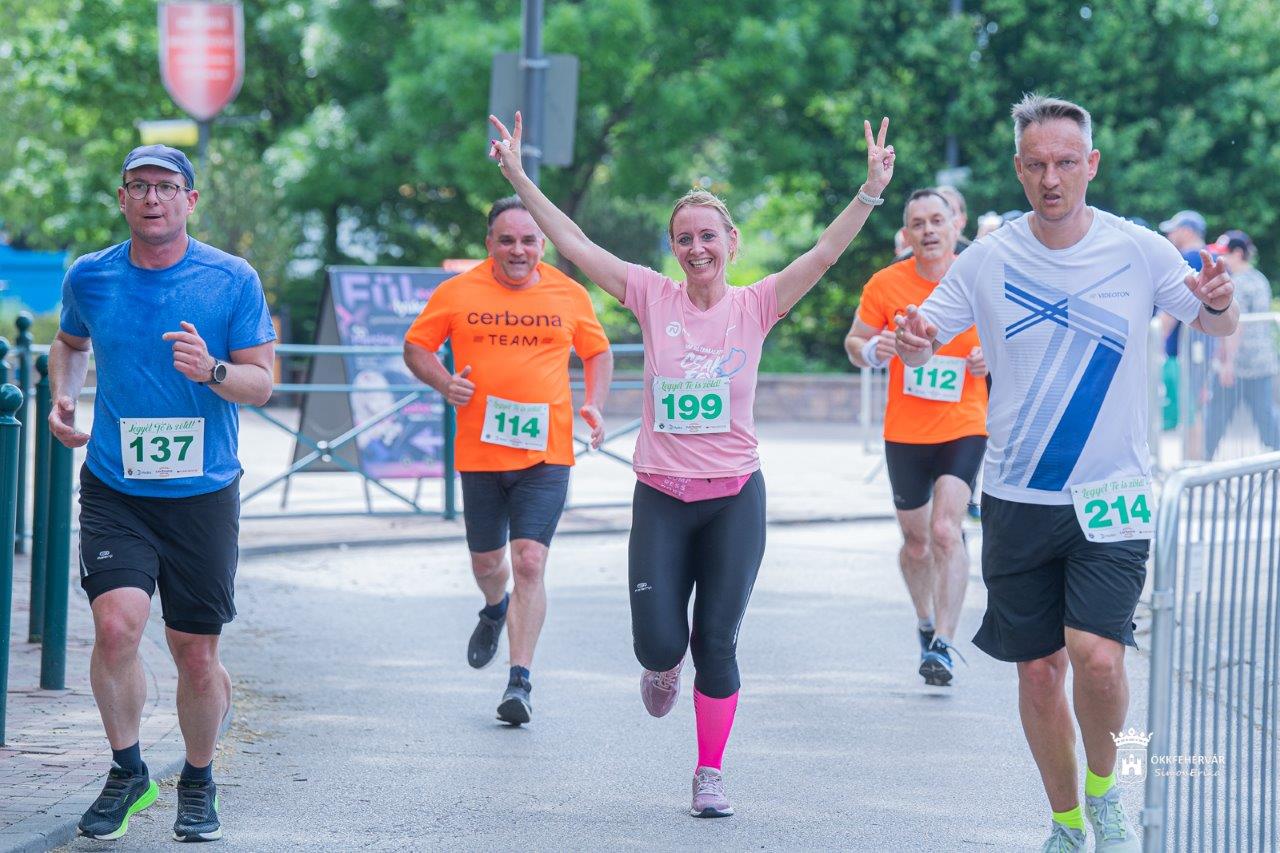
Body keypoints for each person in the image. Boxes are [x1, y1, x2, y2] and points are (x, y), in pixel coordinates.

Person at [489, 110, 894, 818]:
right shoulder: (651, 295)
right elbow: (576, 243)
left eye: (709, 236)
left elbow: (824, 255)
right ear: (674, 248)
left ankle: (709, 770)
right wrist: (519, 175)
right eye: (685, 238)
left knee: (718, 639)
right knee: (659, 641)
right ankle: (661, 665)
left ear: (731, 243)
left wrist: (868, 191)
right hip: (662, 496)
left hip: (736, 497)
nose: (697, 248)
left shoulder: (758, 303)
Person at [894, 94, 1237, 852]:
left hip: (1112, 494)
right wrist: (912, 339)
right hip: (1017, 495)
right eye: (1038, 164)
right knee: (1041, 673)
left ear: (1092, 165)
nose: (1053, 178)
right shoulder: (988, 259)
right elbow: (924, 341)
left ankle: (1106, 790)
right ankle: (1067, 822)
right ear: (1020, 170)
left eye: (1066, 162)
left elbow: (1212, 321)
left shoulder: (1137, 249)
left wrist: (1218, 301)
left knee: (1100, 654)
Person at [50, 144, 276, 842]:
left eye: (167, 186)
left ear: (190, 200)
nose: (153, 198)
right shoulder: (91, 276)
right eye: (139, 186)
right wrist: (64, 397)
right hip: (118, 483)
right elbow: (69, 343)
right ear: (122, 198)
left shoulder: (230, 279)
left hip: (203, 491)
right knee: (116, 626)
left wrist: (209, 369)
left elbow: (262, 382)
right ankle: (127, 771)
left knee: (195, 651)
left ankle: (200, 778)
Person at [403, 196, 613, 725]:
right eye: (507, 240)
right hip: (480, 454)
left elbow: (598, 352)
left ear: (543, 244)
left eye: (528, 240)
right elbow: (416, 347)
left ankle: (519, 681)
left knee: (529, 561)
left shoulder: (569, 293)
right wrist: (442, 380)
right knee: (488, 565)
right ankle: (494, 607)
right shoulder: (457, 291)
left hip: (547, 454)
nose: (518, 250)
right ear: (489, 244)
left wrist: (594, 402)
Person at [844, 189, 987, 687]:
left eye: (937, 221)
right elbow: (854, 342)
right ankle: (926, 624)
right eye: (917, 223)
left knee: (947, 530)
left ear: (956, 225)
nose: (928, 230)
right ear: (906, 234)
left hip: (964, 423)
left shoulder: (978, 276)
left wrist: (989, 356)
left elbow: (1012, 337)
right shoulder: (886, 283)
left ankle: (945, 646)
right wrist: (873, 351)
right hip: (904, 431)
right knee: (917, 542)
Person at [1203, 229, 1279, 459]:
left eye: (1224, 254)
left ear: (1237, 253)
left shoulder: (1236, 284)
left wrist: (1228, 363)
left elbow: (1237, 326)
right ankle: (1276, 457)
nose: (1219, 260)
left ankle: (1206, 461)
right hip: (1262, 363)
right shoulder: (1259, 279)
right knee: (1265, 416)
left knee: (1217, 416)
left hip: (1239, 365)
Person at [934, 184, 973, 252]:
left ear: (963, 220)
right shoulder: (913, 257)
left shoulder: (976, 255)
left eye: (951, 213)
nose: (946, 220)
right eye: (939, 214)